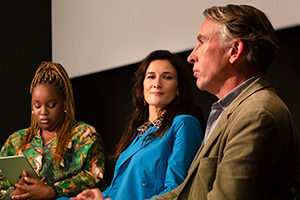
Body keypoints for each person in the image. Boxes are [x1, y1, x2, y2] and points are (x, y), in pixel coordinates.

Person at [69, 4, 300, 200]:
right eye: (150, 76)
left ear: (234, 50)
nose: (191, 55)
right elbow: (187, 192)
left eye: (202, 42)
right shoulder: (233, 110)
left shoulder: (257, 114)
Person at [69, 50, 203, 200]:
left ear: (178, 89)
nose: (157, 84)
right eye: (151, 77)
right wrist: (99, 196)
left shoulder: (184, 124)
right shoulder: (139, 132)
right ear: (142, 88)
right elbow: (118, 189)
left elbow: (177, 191)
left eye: (167, 77)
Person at [0, 62, 106, 199]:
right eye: (37, 106)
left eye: (51, 105)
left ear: (64, 103)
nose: (43, 112)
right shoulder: (16, 140)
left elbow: (96, 178)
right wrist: (14, 194)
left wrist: (53, 191)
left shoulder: (85, 135)